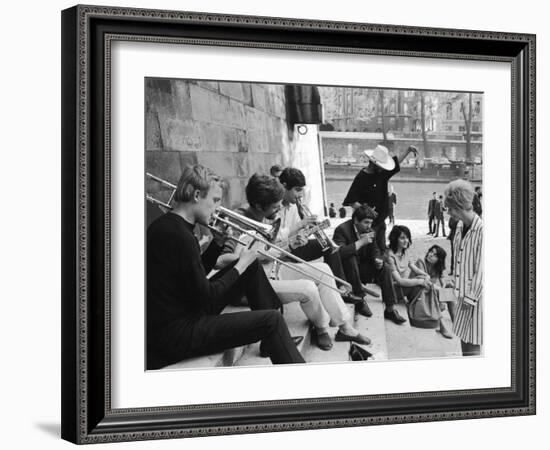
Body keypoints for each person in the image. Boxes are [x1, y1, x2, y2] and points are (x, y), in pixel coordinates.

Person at [146, 165, 305, 369]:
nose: (218, 208)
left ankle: (272, 342)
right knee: (271, 320)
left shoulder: (173, 226)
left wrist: (216, 244)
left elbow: (195, 277)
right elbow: (208, 296)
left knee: (252, 266)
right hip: (178, 334)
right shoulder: (178, 235)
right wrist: (240, 265)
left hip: (186, 311)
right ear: (196, 195)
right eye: (215, 200)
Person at [219, 174, 371, 349]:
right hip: (250, 286)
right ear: (259, 205)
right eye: (275, 208)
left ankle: (345, 327)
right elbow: (220, 260)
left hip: (270, 269)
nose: (278, 211)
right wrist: (255, 256)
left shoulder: (263, 217)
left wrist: (290, 244)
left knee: (323, 269)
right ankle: (321, 327)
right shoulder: (238, 220)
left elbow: (268, 249)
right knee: (308, 288)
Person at [277, 167, 371, 312]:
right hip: (280, 252)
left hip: (293, 247)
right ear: (283, 186)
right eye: (297, 190)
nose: (300, 194)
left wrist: (310, 229)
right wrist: (300, 225)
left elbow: (296, 235)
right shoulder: (273, 206)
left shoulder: (294, 206)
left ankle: (340, 288)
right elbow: (278, 237)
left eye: (301, 190)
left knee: (327, 245)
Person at [333, 205, 407, 325]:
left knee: (385, 268)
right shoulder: (342, 230)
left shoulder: (370, 230)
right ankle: (360, 299)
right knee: (350, 257)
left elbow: (376, 250)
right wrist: (360, 243)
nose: (369, 226)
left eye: (371, 223)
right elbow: (337, 254)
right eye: (366, 222)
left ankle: (390, 309)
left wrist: (378, 260)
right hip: (346, 274)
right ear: (356, 220)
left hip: (360, 270)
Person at [342, 144, 418, 252]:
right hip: (367, 224)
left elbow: (395, 164)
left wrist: (408, 150)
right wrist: (367, 210)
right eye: (381, 166)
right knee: (369, 252)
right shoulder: (361, 178)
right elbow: (352, 201)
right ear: (373, 164)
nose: (383, 168)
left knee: (381, 250)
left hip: (381, 221)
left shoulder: (381, 174)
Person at [444, 179, 483, 357]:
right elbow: (460, 259)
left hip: (474, 297)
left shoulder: (482, 231)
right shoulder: (460, 226)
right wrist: (453, 279)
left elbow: (482, 270)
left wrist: (471, 298)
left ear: (458, 206)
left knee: (473, 342)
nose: (448, 212)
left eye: (450, 208)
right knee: (463, 339)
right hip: (461, 292)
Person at [410, 245, 454, 338]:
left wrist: (445, 292)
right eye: (431, 252)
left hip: (429, 291)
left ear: (439, 260)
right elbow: (425, 282)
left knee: (449, 287)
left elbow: (443, 282)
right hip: (416, 291)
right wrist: (442, 298)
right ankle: (442, 327)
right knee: (435, 290)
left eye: (435, 255)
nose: (431, 255)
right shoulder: (421, 261)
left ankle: (454, 319)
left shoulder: (437, 267)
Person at [385, 225, 432, 312]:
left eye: (407, 237)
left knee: (426, 281)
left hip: (403, 286)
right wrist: (421, 281)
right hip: (391, 289)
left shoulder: (404, 252)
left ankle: (446, 296)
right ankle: (445, 295)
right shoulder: (390, 256)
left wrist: (427, 275)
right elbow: (399, 281)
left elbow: (416, 269)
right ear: (395, 239)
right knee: (421, 284)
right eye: (402, 238)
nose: (406, 241)